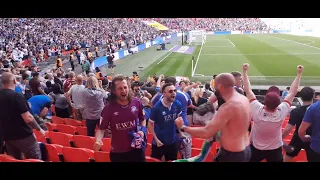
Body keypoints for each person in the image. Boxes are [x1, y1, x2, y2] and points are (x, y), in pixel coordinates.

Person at [175, 72, 251, 162]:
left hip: (231, 155)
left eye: (214, 83)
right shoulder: (244, 99)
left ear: (219, 86)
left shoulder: (228, 107)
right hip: (245, 150)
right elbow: (234, 127)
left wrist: (183, 127)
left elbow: (206, 132)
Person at [242, 63, 303, 162]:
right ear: (278, 102)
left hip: (256, 148)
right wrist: (299, 74)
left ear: (264, 101)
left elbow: (247, 90)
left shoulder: (257, 109)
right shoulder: (281, 111)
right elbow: (292, 92)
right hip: (275, 150)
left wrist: (244, 72)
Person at [94, 75, 147, 162]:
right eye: (120, 88)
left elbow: (143, 118)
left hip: (136, 149)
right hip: (118, 153)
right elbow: (101, 129)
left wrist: (142, 129)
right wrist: (98, 140)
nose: (124, 91)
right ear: (114, 91)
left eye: (125, 87)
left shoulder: (136, 102)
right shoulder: (108, 109)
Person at [0, 72, 46, 160]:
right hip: (24, 135)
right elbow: (28, 118)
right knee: (34, 159)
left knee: (16, 159)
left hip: (7, 136)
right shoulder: (17, 96)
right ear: (14, 81)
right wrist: (39, 129)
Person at [148, 83, 182, 161]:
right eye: (170, 91)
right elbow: (149, 124)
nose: (173, 93)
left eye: (175, 90)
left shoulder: (177, 105)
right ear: (164, 93)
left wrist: (181, 132)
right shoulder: (157, 108)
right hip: (159, 142)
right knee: (156, 160)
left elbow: (178, 120)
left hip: (172, 140)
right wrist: (156, 139)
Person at [283, 86, 315, 162]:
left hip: (298, 138)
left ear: (300, 97)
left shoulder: (296, 111)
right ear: (313, 96)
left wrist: (280, 138)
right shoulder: (317, 109)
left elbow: (288, 128)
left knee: (288, 156)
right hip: (312, 138)